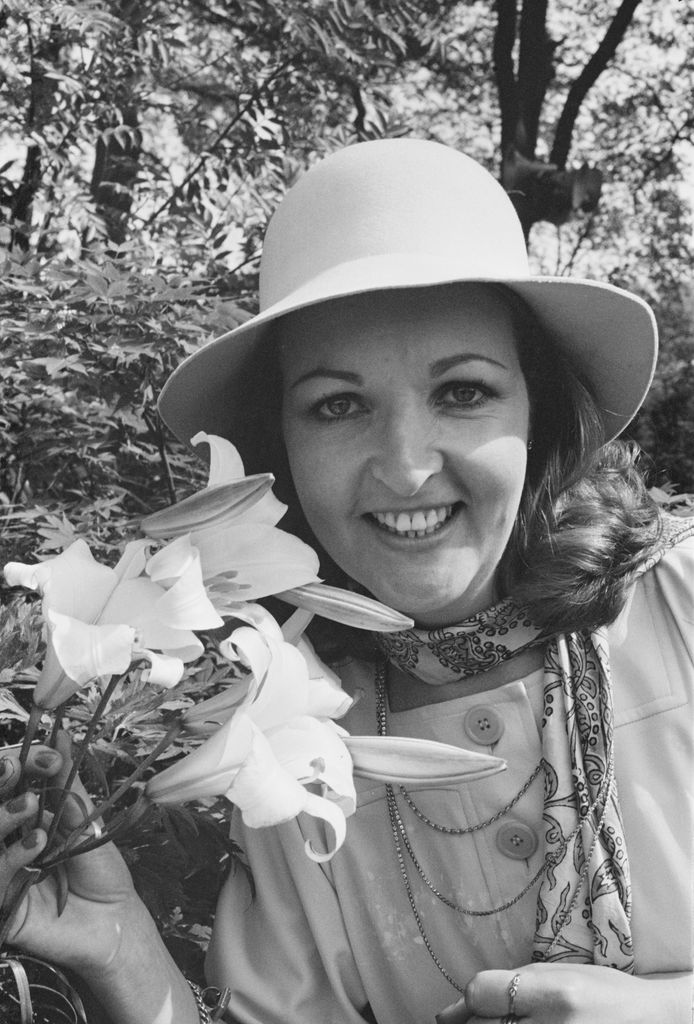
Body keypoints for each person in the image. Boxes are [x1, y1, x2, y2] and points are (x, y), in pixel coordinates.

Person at [1, 138, 692, 1024]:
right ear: (278, 450)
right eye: (338, 405)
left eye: (465, 392)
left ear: (539, 413)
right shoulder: (296, 725)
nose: (405, 470)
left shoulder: (680, 601)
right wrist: (121, 939)